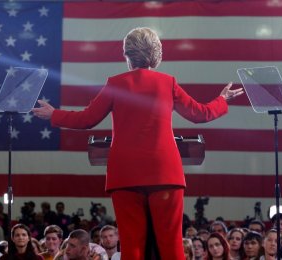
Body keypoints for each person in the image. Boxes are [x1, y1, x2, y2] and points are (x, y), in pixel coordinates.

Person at [33, 27, 243, 260]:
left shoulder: (115, 83)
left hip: (125, 175)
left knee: (131, 246)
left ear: (127, 55)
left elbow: (87, 119)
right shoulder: (168, 82)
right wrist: (222, 99)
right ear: (156, 54)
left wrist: (54, 114)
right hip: (165, 173)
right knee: (172, 246)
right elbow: (200, 114)